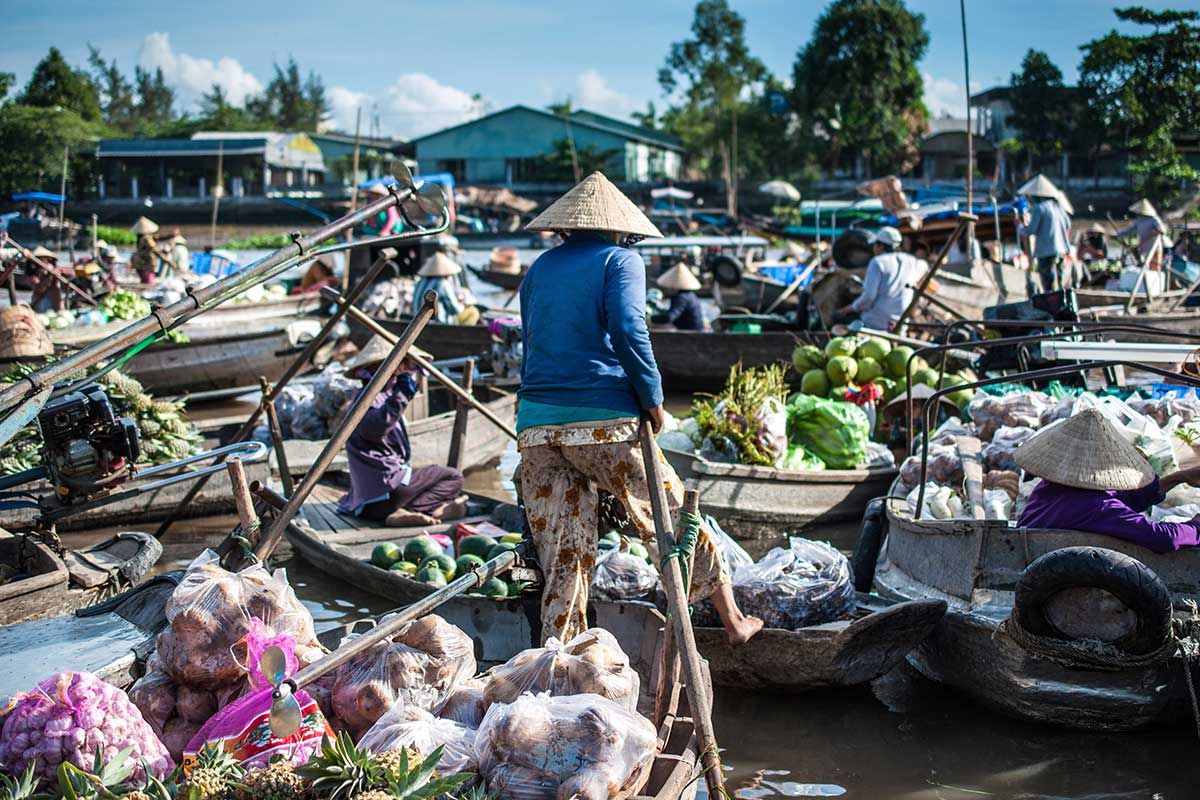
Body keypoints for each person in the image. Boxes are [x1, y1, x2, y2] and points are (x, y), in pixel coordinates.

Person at [517, 171, 762, 645]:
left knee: (564, 550)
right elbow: (630, 329)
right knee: (670, 518)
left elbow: (532, 343)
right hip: (604, 424)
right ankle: (733, 620)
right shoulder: (620, 260)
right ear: (620, 228)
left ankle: (560, 656)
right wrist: (652, 399)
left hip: (536, 428)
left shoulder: (539, 269)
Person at [1016, 408, 1200, 553]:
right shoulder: (1097, 508)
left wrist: (1178, 477)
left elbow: (1121, 501)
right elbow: (1164, 538)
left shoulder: (1048, 487)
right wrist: (1196, 526)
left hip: (1025, 556)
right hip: (1050, 574)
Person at [336, 335, 468, 527]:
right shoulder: (368, 399)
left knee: (432, 478)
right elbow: (376, 427)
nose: (407, 371)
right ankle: (416, 510)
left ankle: (403, 511)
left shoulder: (381, 396)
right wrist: (402, 394)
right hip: (385, 491)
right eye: (403, 366)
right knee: (453, 477)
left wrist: (400, 393)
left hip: (375, 501)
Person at [837, 226, 925, 332]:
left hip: (875, 322)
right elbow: (924, 266)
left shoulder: (878, 262)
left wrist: (848, 309)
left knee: (840, 321)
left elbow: (869, 297)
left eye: (875, 245)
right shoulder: (910, 261)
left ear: (880, 246)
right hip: (900, 323)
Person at [1017, 174, 1072, 292]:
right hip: (1062, 250)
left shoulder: (1039, 208)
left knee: (1048, 284)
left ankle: (1051, 305)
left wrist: (1020, 227)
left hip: (1046, 251)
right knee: (1059, 282)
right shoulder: (1059, 207)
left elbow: (1030, 230)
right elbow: (1068, 225)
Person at [411, 252, 479, 324]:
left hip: (418, 323)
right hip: (439, 324)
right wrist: (462, 305)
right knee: (473, 312)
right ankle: (460, 334)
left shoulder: (419, 282)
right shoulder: (442, 283)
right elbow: (454, 310)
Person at [1117, 199, 1168, 272]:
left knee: (1155, 267)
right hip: (1144, 247)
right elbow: (1129, 230)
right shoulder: (1139, 220)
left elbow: (1163, 231)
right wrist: (1118, 235)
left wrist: (1156, 231)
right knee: (1146, 267)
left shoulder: (1154, 219)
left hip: (1154, 247)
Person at [650, 263, 704, 331]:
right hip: (695, 330)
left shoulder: (681, 297)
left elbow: (670, 317)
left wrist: (650, 319)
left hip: (692, 333)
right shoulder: (690, 295)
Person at [27, 245, 64, 312]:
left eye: (44, 259)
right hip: (40, 303)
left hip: (55, 302)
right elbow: (39, 289)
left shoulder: (55, 269)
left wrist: (55, 274)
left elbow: (70, 273)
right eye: (39, 259)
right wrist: (49, 276)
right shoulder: (34, 274)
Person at [130, 216, 162, 285]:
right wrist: (168, 261)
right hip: (145, 265)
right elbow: (155, 250)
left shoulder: (140, 238)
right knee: (149, 283)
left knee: (144, 282)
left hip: (140, 264)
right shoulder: (146, 239)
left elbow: (157, 239)